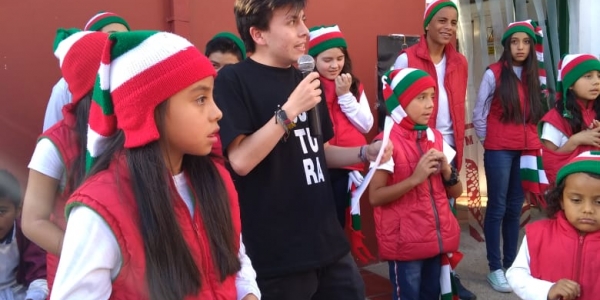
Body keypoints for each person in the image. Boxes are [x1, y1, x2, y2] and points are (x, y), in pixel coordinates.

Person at [50, 31, 260, 300]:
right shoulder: (100, 209)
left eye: (212, 97)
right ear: (149, 110)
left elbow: (236, 264)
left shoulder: (216, 179)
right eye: (200, 99)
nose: (217, 112)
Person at [214, 0, 392, 299]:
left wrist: (363, 154)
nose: (305, 31)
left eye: (304, 20)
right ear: (259, 34)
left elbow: (318, 152)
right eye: (292, 22)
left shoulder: (306, 81)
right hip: (278, 254)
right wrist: (289, 111)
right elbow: (241, 160)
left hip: (328, 243)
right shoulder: (234, 80)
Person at [392, 1, 473, 298]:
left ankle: (446, 278)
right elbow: (394, 106)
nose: (448, 27)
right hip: (416, 144)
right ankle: (416, 280)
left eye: (453, 22)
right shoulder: (406, 59)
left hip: (448, 147)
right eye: (442, 20)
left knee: (446, 216)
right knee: (419, 214)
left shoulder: (460, 62)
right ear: (427, 24)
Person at [22, 29, 108, 292]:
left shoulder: (129, 133)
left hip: (128, 269)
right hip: (72, 270)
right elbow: (33, 221)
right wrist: (82, 254)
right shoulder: (54, 145)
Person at [369, 68, 462, 300]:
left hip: (435, 241)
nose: (430, 104)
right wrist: (415, 179)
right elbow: (375, 196)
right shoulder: (387, 143)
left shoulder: (436, 138)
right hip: (406, 247)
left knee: (431, 295)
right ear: (400, 103)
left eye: (432, 96)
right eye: (421, 98)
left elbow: (457, 191)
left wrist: (448, 171)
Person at [472, 20, 546, 293]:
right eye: (514, 42)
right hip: (500, 149)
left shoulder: (534, 77)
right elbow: (479, 113)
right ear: (506, 45)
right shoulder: (494, 73)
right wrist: (490, 141)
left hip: (525, 150)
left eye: (526, 42)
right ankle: (494, 268)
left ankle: (510, 264)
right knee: (498, 207)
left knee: (516, 208)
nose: (520, 47)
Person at [506, 151, 600, 300]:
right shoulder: (538, 234)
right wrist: (547, 290)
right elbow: (515, 274)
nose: (587, 209)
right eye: (576, 200)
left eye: (599, 202)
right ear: (561, 200)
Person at [308, 24, 373, 226]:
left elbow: (366, 125)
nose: (335, 65)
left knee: (338, 221)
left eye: (340, 58)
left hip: (346, 165)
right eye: (327, 60)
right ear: (313, 60)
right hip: (316, 165)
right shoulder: (306, 85)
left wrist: (345, 96)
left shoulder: (352, 84)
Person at [42, 11, 130, 131]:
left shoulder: (130, 80)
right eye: (112, 36)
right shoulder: (64, 88)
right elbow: (51, 133)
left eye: (126, 38)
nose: (121, 43)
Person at [538, 54, 600, 185]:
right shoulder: (555, 119)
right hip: (572, 194)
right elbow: (550, 163)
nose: (596, 81)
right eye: (588, 76)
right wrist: (576, 140)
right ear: (570, 84)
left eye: (599, 76)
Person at [0, 169, 48, 300]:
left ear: (18, 211)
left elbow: (39, 273)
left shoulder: (25, 234)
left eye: (1, 211)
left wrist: (35, 296)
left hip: (15, 291)